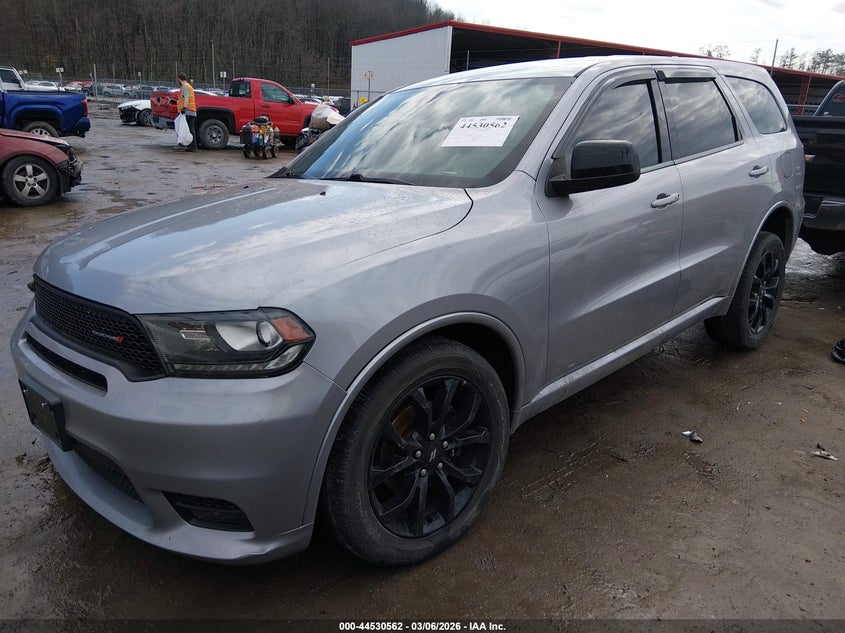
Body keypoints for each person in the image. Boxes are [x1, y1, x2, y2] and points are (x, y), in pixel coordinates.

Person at [175, 72, 197, 152]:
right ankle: (193, 146)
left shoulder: (184, 87)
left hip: (187, 111)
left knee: (183, 129)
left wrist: (184, 108)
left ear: (179, 79)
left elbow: (186, 97)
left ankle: (182, 144)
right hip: (192, 111)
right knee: (191, 130)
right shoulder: (189, 86)